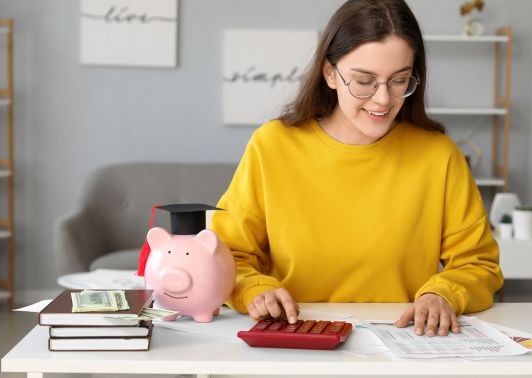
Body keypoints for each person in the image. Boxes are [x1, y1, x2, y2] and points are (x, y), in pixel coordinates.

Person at [211, 0, 503, 337]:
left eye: (399, 81)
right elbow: (228, 254)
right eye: (364, 81)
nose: (383, 99)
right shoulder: (273, 145)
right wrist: (254, 289)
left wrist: (442, 294)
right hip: (296, 338)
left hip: (402, 341)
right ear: (330, 73)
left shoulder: (439, 155)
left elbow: (479, 264)